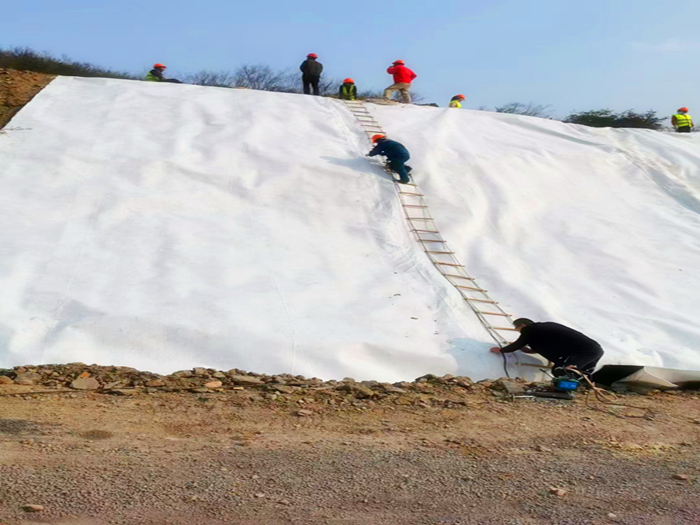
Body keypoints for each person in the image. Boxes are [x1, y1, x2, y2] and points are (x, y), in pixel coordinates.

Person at [490, 318, 604, 377]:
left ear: (523, 326)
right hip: (595, 350)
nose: (519, 332)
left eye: (517, 329)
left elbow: (519, 343)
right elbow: (552, 342)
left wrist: (501, 350)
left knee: (562, 370)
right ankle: (582, 390)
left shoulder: (530, 329)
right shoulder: (543, 328)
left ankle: (566, 392)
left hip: (584, 352)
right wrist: (532, 350)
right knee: (583, 373)